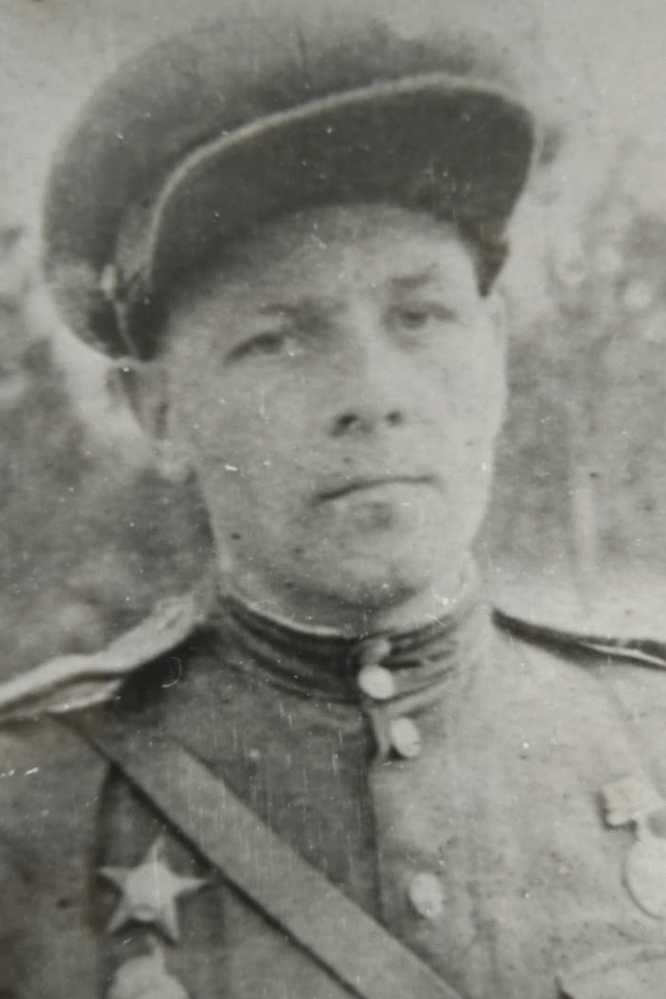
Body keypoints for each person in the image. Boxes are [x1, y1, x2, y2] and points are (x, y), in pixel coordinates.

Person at [2, 2, 666, 997]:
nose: (374, 393)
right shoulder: (33, 805)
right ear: (159, 410)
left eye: (420, 316)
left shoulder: (649, 733)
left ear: (493, 348)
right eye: (277, 337)